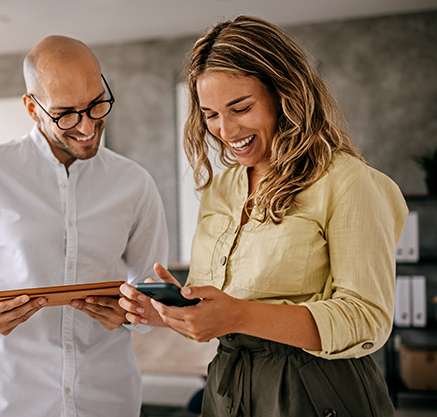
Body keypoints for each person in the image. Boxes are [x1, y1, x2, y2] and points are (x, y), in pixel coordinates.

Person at [120, 15, 408, 417]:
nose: (224, 129)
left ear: (284, 94)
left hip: (316, 390)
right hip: (227, 390)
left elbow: (366, 320)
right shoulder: (221, 189)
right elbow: (218, 307)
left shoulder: (347, 182)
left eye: (240, 107)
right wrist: (169, 314)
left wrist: (239, 314)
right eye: (210, 114)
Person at [0, 35, 169, 416]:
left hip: (108, 397)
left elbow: (152, 291)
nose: (87, 125)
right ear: (32, 107)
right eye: (66, 113)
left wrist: (134, 313)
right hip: (13, 399)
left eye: (96, 105)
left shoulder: (135, 183)